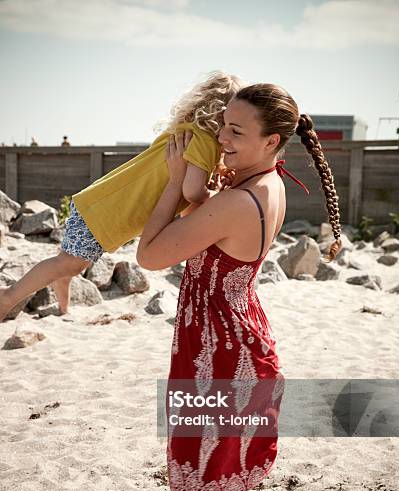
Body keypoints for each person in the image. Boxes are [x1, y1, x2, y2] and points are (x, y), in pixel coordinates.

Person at [136, 83, 342, 491]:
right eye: (223, 124)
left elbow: (151, 256)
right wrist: (200, 192)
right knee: (191, 487)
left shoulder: (237, 199)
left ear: (273, 141)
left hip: (220, 361)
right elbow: (216, 230)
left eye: (235, 131)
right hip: (219, 347)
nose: (221, 137)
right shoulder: (265, 184)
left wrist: (173, 187)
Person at [0, 71, 243, 322]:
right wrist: (215, 194)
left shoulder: (185, 130)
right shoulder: (204, 141)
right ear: (222, 115)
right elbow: (192, 191)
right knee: (70, 262)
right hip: (104, 212)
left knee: (71, 263)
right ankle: (8, 296)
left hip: (99, 202)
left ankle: (62, 296)